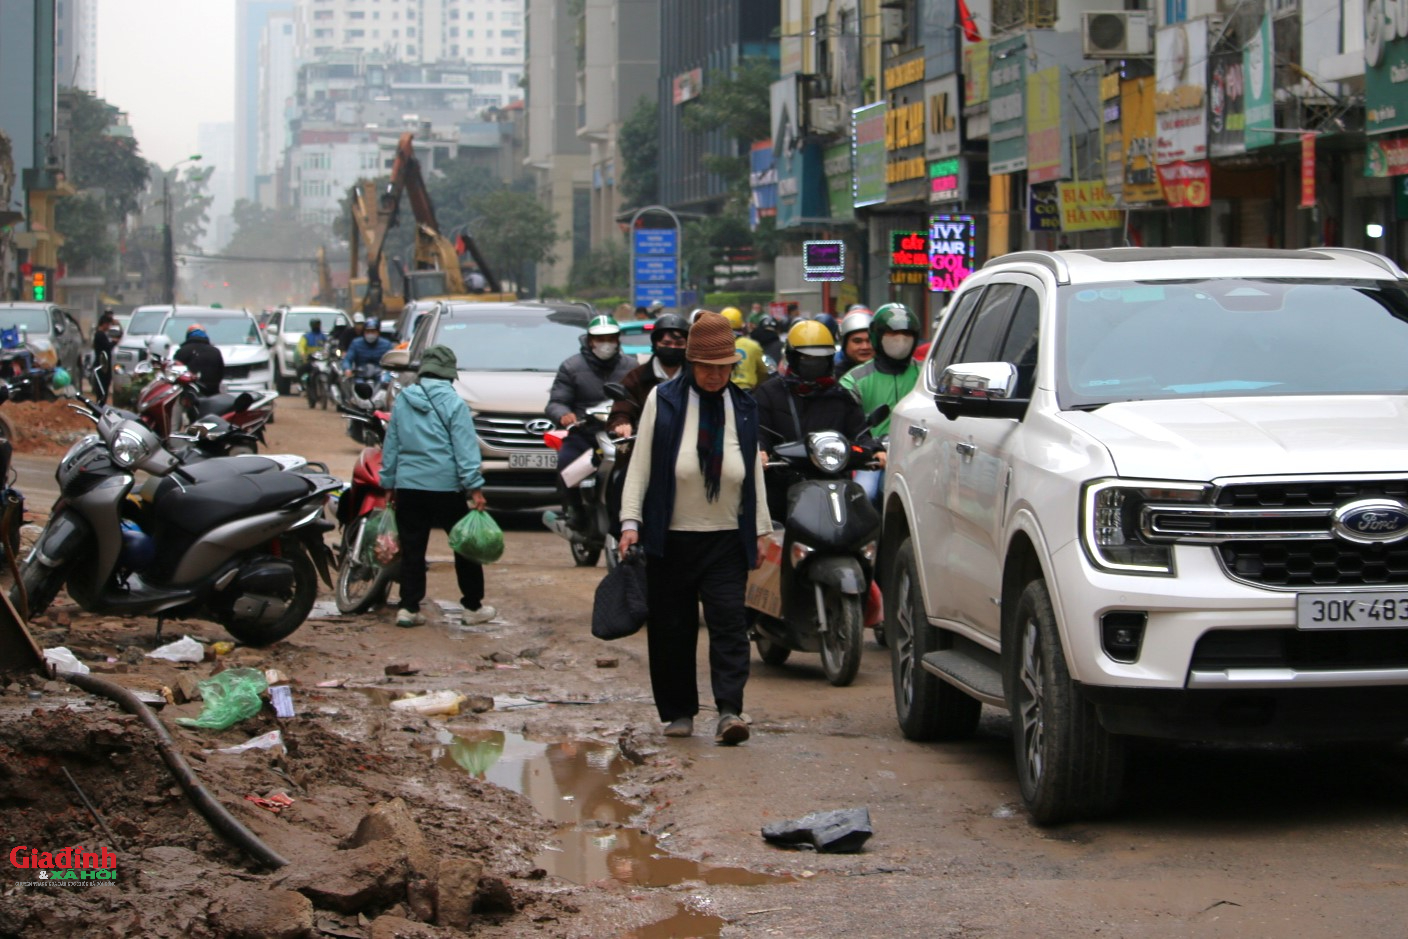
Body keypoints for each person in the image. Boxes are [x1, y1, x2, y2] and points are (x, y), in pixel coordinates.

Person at [618, 311, 772, 746]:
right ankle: (679, 712)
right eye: (705, 367)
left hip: (725, 536)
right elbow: (641, 463)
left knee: (728, 624)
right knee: (672, 629)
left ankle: (729, 711)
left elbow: (753, 471)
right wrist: (631, 521)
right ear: (689, 362)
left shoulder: (742, 404)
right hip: (671, 536)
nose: (713, 376)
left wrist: (761, 529)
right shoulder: (663, 400)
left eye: (722, 368)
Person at [379, 345, 496, 628]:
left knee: (412, 547)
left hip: (409, 486)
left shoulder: (403, 400)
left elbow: (391, 444)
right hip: (446, 488)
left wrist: (388, 482)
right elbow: (465, 450)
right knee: (464, 547)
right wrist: (475, 488)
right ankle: (472, 606)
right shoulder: (455, 404)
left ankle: (408, 608)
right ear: (449, 374)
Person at [755, 319, 872, 519]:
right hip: (782, 490)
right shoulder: (769, 393)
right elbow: (759, 431)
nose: (814, 363)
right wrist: (761, 451)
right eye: (806, 358)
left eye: (821, 358)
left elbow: (861, 433)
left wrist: (875, 451)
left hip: (834, 486)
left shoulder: (841, 396)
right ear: (793, 357)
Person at [546, 314, 635, 530]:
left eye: (611, 338)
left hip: (621, 435)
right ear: (590, 340)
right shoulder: (571, 366)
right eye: (600, 338)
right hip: (585, 434)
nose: (606, 343)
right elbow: (556, 401)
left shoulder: (631, 366)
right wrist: (565, 415)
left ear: (618, 340)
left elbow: (641, 398)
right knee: (566, 463)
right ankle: (574, 511)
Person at [839, 302, 920, 439]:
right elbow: (846, 425)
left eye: (906, 334)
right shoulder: (853, 381)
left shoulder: (927, 375)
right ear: (877, 337)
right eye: (892, 334)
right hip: (875, 456)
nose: (900, 340)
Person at [720, 306, 768, 391]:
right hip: (747, 391)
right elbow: (763, 372)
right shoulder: (753, 345)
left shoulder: (714, 345)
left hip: (722, 391)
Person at [174, 324, 224, 396]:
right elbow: (220, 374)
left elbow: (175, 373)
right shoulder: (215, 351)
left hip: (189, 396)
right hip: (213, 395)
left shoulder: (182, 351)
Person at [835, 308, 874, 377]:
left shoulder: (890, 372)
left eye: (869, 340)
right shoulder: (834, 376)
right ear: (845, 344)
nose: (865, 347)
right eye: (857, 341)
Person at [90, 310, 117, 404]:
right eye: (108, 324)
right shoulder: (100, 335)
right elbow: (107, 347)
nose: (109, 327)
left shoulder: (101, 334)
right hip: (102, 366)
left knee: (104, 388)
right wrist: (114, 342)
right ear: (104, 324)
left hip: (103, 365)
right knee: (102, 389)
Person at [296, 318, 328, 387]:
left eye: (318, 324)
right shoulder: (306, 337)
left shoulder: (323, 336)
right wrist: (303, 354)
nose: (317, 326)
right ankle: (302, 386)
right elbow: (301, 347)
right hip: (310, 361)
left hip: (322, 360)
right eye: (316, 325)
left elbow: (328, 345)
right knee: (300, 370)